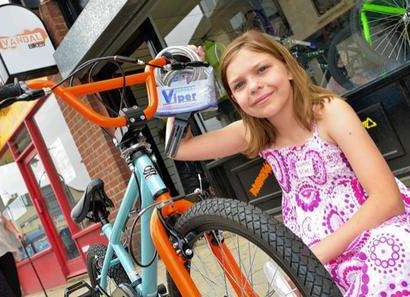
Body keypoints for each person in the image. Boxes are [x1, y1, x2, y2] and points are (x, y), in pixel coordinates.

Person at [166, 30, 410, 295]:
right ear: (236, 100)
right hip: (310, 254)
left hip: (370, 230)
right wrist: (184, 81)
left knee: (389, 259)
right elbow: (178, 147)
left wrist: (308, 259)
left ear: (288, 69)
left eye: (262, 70)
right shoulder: (254, 133)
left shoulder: (329, 113)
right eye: (239, 85)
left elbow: (387, 199)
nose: (254, 86)